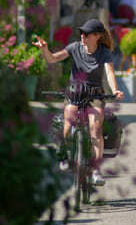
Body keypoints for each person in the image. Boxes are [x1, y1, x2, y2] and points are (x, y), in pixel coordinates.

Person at [33, 18, 124, 187]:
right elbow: (53, 59)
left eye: (87, 34)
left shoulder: (104, 52)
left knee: (95, 130)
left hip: (95, 94)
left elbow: (109, 73)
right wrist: (45, 50)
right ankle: (64, 154)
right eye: (82, 33)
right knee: (67, 125)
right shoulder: (74, 47)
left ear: (97, 36)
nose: (83, 36)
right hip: (75, 92)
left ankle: (96, 171)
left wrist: (115, 90)